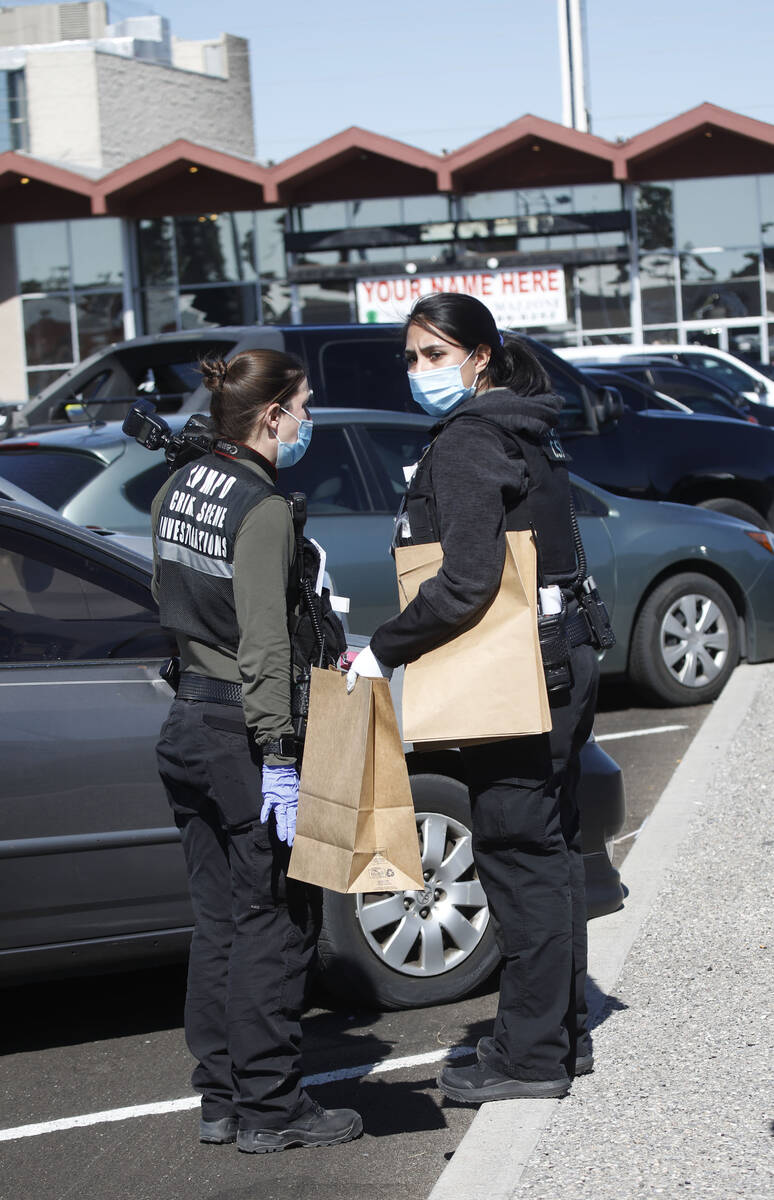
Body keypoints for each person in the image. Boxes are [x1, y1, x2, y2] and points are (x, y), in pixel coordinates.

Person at [346, 293, 599, 1103]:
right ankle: (559, 1037)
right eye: (412, 357)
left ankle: (529, 1059)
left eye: (434, 355)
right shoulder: (530, 425)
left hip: (517, 676)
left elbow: (464, 582)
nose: (420, 372)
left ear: (480, 355)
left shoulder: (468, 441)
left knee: (517, 857)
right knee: (550, 854)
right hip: (562, 661)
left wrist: (385, 649)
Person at [153, 349, 362, 1152]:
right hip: (245, 731)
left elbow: (166, 594)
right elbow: (267, 645)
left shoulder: (180, 485)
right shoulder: (263, 506)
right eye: (303, 405)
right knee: (276, 921)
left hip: (187, 724)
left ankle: (221, 1098)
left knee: (220, 922)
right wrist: (278, 754)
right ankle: (273, 1109)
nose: (308, 419)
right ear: (271, 415)